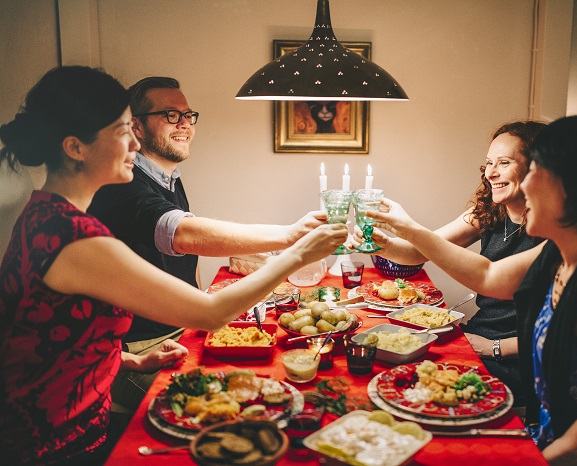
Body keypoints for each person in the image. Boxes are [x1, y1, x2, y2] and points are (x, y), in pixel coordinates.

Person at [0, 65, 346, 465]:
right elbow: (210, 313)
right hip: (55, 443)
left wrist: (129, 360)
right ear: (76, 147)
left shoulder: (45, 213)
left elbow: (57, 334)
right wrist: (297, 254)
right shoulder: (77, 239)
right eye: (120, 131)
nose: (133, 143)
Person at [366, 115, 577, 464]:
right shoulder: (562, 249)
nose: (526, 187)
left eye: (536, 172)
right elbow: (487, 275)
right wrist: (406, 228)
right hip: (555, 437)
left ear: (574, 187)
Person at [87, 76, 328, 417]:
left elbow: (180, 257)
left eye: (188, 115)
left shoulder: (167, 177)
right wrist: (290, 237)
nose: (185, 124)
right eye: (171, 115)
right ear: (136, 127)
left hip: (176, 331)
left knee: (264, 382)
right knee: (233, 406)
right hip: (136, 349)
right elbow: (183, 234)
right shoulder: (122, 185)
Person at [353, 121, 546, 406]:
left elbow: (490, 278)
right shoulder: (490, 212)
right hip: (479, 336)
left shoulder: (554, 231)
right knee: (387, 364)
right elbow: (418, 252)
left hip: (518, 358)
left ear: (536, 168)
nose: (491, 173)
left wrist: (494, 348)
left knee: (413, 388)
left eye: (504, 163)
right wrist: (385, 243)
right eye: (489, 163)